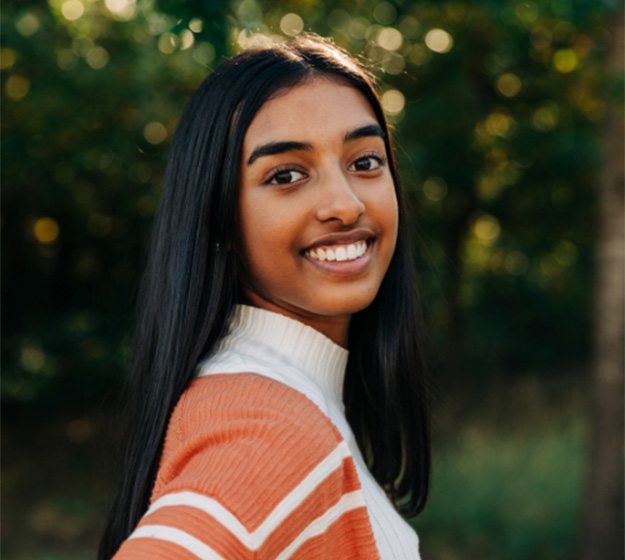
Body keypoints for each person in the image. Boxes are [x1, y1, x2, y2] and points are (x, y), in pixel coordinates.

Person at [99, 34, 431, 559]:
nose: (344, 204)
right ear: (220, 219)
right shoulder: (273, 433)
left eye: (365, 162)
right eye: (287, 174)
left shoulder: (285, 401)